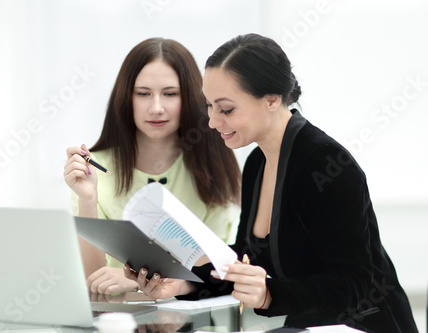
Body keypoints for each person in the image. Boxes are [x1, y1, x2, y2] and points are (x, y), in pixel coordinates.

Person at [124, 34, 418, 332]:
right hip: (307, 325)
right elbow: (247, 260)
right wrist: (185, 283)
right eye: (209, 106)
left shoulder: (326, 164)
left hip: (363, 325)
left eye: (225, 109)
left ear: (272, 99)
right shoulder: (257, 163)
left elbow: (354, 284)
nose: (212, 121)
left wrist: (268, 293)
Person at [63, 37, 241, 295]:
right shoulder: (94, 170)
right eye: (143, 94)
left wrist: (138, 280)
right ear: (127, 98)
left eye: (170, 94)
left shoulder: (212, 167)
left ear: (190, 97)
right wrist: (87, 200)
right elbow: (94, 281)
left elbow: (217, 273)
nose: (156, 108)